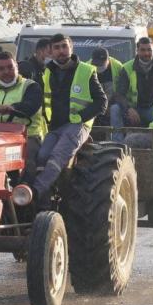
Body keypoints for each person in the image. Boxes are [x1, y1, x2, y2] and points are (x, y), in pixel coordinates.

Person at [32, 33, 107, 203]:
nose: (61, 51)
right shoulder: (48, 72)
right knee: (42, 156)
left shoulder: (86, 71)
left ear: (71, 48)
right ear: (51, 51)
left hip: (78, 126)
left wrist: (80, 117)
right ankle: (48, 200)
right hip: (56, 126)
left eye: (64, 46)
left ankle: (35, 193)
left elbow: (102, 102)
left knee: (57, 156)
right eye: (57, 48)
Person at [0, 51, 45, 181]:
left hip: (26, 137)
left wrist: (13, 108)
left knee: (27, 163)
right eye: (1, 68)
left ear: (17, 67)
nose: (6, 71)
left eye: (10, 67)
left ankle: (28, 195)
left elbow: (30, 106)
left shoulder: (31, 86)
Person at [110, 37, 153, 137]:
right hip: (134, 107)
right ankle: (117, 144)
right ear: (137, 51)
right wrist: (128, 109)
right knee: (115, 109)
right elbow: (119, 94)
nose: (146, 53)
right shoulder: (127, 67)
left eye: (149, 50)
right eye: (143, 50)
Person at [91, 47, 123, 127]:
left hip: (113, 101)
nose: (98, 66)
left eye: (101, 64)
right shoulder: (87, 67)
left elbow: (121, 91)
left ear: (108, 60)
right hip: (94, 102)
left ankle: (117, 138)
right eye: (96, 64)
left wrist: (108, 106)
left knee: (115, 110)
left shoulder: (118, 66)